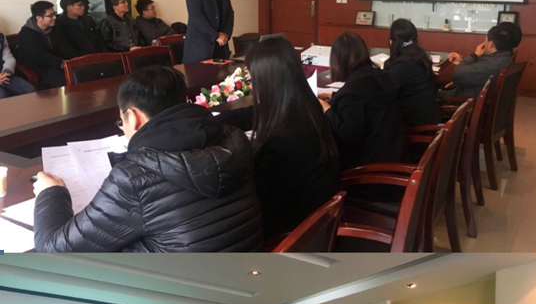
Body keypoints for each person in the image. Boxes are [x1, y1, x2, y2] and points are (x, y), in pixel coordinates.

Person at [32, 66, 263, 252]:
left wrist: (51, 193)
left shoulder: (133, 179)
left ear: (133, 117)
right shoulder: (233, 138)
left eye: (121, 121)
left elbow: (53, 248)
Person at [244, 36, 339, 240]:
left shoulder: (282, 141)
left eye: (252, 80)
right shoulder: (307, 108)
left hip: (291, 237)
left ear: (268, 81)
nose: (251, 87)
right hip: (315, 224)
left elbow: (260, 203)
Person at [320, 32, 403, 170]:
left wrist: (327, 110)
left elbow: (350, 137)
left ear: (337, 60)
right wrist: (335, 96)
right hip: (393, 150)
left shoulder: (351, 93)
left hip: (369, 166)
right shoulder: (382, 76)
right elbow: (367, 100)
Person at [384, 19, 439, 126]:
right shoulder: (420, 57)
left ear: (391, 42)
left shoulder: (402, 65)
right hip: (427, 118)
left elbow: (385, 93)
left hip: (415, 127)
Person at [444, 25, 516, 99]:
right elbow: (477, 71)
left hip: (464, 99)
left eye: (485, 40)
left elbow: (456, 76)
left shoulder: (490, 64)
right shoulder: (504, 57)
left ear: (491, 44)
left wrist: (474, 55)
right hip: (472, 91)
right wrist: (462, 62)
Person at [15, 1, 74, 88]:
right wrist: (62, 63)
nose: (54, 17)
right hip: (39, 66)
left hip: (57, 62)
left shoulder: (55, 28)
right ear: (39, 18)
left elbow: (65, 47)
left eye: (54, 14)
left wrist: (72, 61)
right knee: (62, 79)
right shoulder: (26, 34)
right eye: (50, 16)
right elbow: (39, 55)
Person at [0, 32, 36, 98]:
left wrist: (6, 71)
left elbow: (8, 57)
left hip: (5, 76)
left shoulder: (1, 37)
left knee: (31, 90)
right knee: (2, 96)